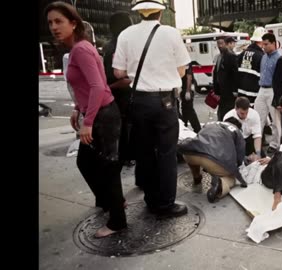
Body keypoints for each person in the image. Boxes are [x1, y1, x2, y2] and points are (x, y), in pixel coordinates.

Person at [45, 1, 126, 238]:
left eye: (59, 21)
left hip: (103, 116)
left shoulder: (81, 49)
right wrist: (76, 110)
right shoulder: (79, 49)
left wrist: (88, 121)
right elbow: (86, 86)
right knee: (88, 162)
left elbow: (97, 86)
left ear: (73, 23)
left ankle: (117, 220)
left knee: (106, 166)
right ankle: (113, 203)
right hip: (97, 113)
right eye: (50, 22)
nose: (53, 27)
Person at [112, 0, 191, 218]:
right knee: (166, 153)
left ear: (139, 14)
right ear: (159, 13)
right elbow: (182, 71)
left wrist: (138, 71)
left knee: (145, 152)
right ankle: (165, 204)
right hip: (165, 101)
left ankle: (151, 198)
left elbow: (118, 73)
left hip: (139, 100)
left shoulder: (126, 34)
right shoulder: (171, 33)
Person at [178, 117, 248, 203]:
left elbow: (199, 136)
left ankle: (196, 176)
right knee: (232, 177)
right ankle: (221, 184)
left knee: (197, 152)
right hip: (212, 160)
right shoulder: (236, 130)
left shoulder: (211, 124)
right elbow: (240, 156)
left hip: (189, 154)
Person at [103, 11, 135, 167]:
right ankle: (126, 155)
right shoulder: (119, 46)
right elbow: (122, 78)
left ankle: (124, 155)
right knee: (126, 126)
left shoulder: (111, 45)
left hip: (116, 93)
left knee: (123, 126)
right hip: (122, 93)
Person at [254, 32, 282, 155]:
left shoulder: (279, 58)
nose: (263, 47)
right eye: (263, 44)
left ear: (273, 44)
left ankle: (276, 144)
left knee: (276, 120)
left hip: (272, 90)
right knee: (257, 117)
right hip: (262, 88)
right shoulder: (264, 56)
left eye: (266, 44)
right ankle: (256, 143)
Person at [223, 97, 262, 162]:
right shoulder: (228, 117)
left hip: (249, 139)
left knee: (260, 159)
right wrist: (243, 157)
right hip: (234, 142)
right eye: (242, 113)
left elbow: (257, 136)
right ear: (236, 108)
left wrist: (258, 153)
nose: (245, 116)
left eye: (246, 113)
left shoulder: (254, 115)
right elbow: (228, 142)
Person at [236, 27, 266, 104]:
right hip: (254, 94)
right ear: (262, 41)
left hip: (241, 92)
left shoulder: (243, 53)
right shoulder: (261, 56)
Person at [213, 36, 239, 121]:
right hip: (221, 90)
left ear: (226, 44)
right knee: (221, 111)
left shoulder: (231, 56)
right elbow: (216, 73)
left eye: (222, 43)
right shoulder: (219, 57)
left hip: (229, 90)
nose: (220, 46)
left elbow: (235, 74)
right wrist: (216, 90)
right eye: (218, 44)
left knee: (228, 111)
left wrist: (235, 90)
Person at [179, 61, 201, 133]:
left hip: (186, 89)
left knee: (189, 110)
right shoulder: (186, 62)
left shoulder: (185, 63)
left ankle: (197, 128)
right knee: (185, 109)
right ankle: (184, 125)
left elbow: (189, 77)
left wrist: (187, 91)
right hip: (185, 89)